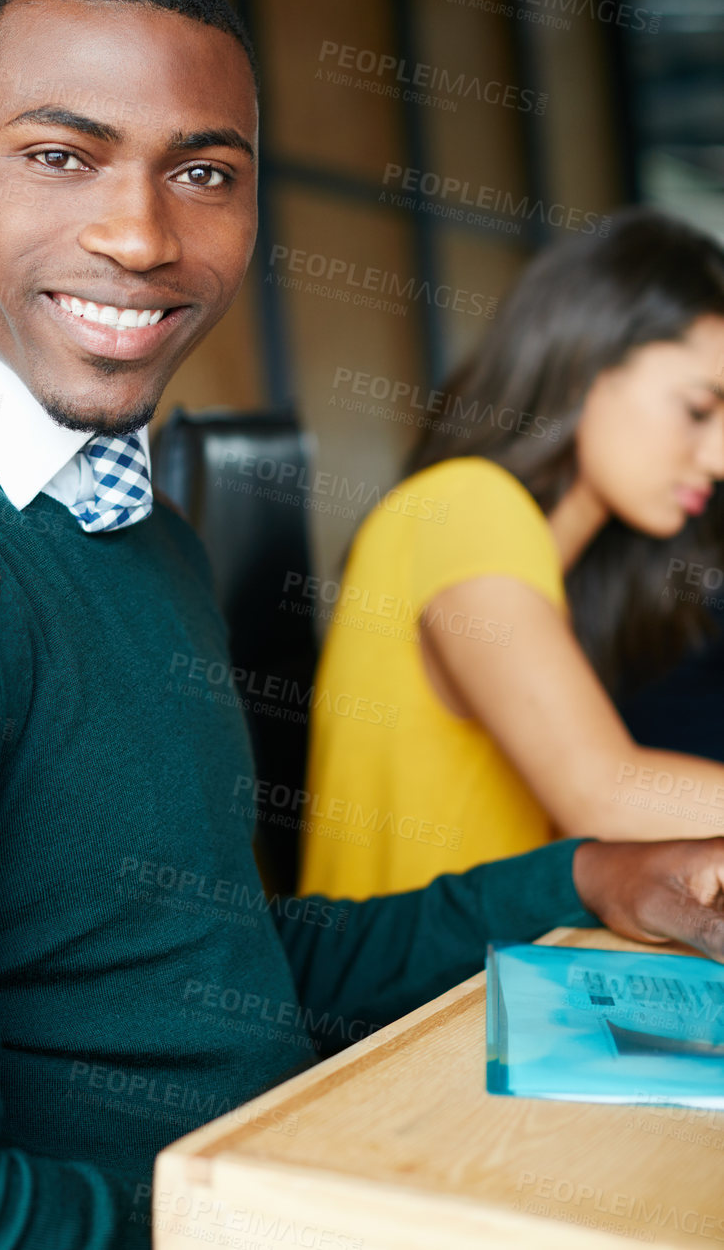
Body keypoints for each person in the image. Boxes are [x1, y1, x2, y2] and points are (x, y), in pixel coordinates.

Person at [0, 0, 724, 1250]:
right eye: (61, 156)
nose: (139, 234)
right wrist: (318, 1223)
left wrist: (597, 874)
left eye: (204, 174)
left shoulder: (129, 525)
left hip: (296, 1160)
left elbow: (218, 965)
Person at [301, 210, 724, 902]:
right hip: (420, 1002)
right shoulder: (467, 504)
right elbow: (603, 790)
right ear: (587, 365)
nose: (718, 457)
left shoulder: (559, 563)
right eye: (699, 410)